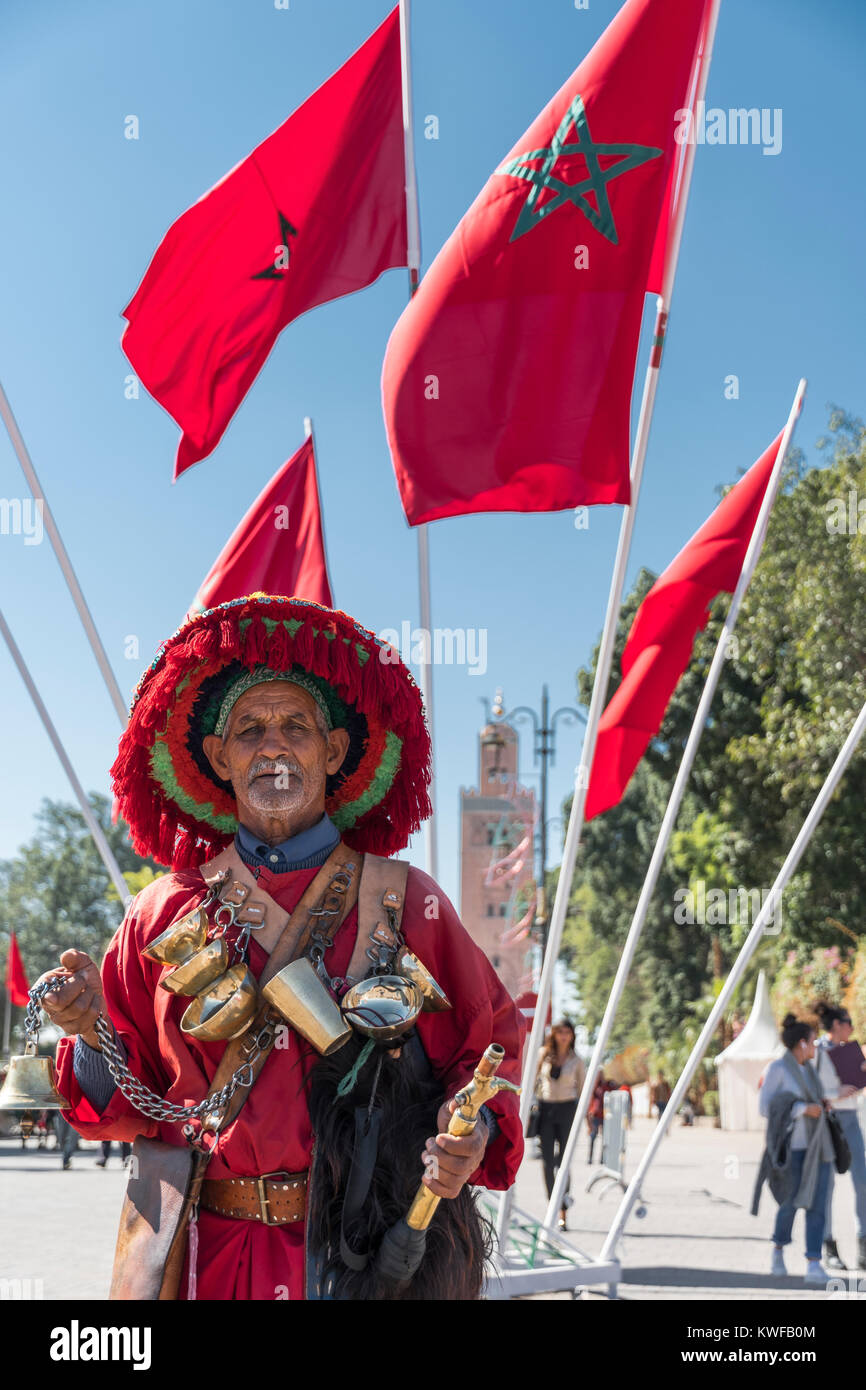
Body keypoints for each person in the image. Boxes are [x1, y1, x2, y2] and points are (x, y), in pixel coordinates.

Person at [35, 595, 525, 1301]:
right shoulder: (160, 912)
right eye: (250, 729)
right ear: (218, 757)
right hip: (210, 1257)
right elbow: (126, 1099)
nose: (273, 744)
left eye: (296, 726)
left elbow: (488, 1050)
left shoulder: (405, 899)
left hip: (362, 1251)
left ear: (331, 752)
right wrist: (86, 1033)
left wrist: (468, 1129)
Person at [752, 1013, 834, 1284]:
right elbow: (766, 1108)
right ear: (801, 1043)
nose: (815, 1047)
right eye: (812, 1042)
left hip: (818, 1149)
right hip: (792, 1149)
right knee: (789, 1204)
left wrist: (822, 1105)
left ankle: (813, 1263)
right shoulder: (777, 1069)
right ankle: (778, 1249)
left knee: (818, 1206)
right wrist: (801, 1109)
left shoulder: (810, 1070)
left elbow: (814, 1101)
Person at [813, 1001, 866, 1271]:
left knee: (862, 1183)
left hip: (851, 1120)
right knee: (827, 1186)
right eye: (848, 1023)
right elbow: (808, 1087)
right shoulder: (816, 1051)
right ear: (836, 1025)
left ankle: (863, 1246)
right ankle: (828, 1246)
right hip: (828, 1121)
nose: (852, 1028)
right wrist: (836, 1092)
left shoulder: (852, 1051)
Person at [535, 1019, 585, 1230]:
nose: (564, 1036)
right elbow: (533, 1081)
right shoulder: (543, 1055)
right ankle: (552, 1209)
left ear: (572, 1035)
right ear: (554, 1034)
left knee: (564, 1162)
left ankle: (563, 1211)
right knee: (547, 1162)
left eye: (568, 1032)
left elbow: (582, 1091)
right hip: (545, 1110)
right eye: (560, 1032)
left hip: (567, 1110)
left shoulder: (577, 1061)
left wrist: (586, 1118)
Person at [586, 1070, 615, 1165]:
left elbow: (613, 1094)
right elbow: (590, 1100)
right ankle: (590, 1158)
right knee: (593, 1136)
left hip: (605, 1116)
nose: (601, 1076)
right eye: (599, 1075)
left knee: (605, 1138)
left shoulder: (608, 1086)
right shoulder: (594, 1086)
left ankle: (602, 1158)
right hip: (595, 1115)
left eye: (602, 1074)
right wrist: (589, 1113)